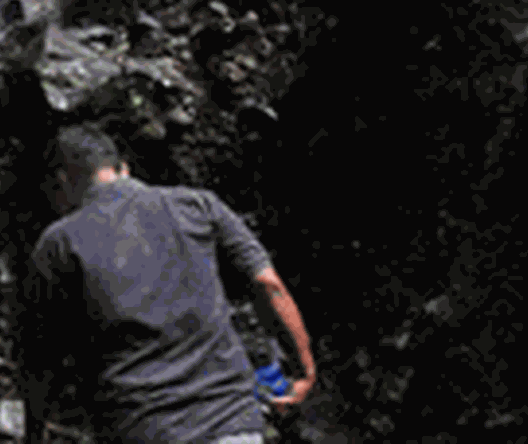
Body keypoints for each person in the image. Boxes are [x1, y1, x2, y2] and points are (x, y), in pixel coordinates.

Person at [19, 125, 316, 444]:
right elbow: (267, 284)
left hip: (142, 429)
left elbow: (40, 355)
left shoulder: (59, 243)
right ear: (123, 168)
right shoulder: (198, 206)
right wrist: (304, 370)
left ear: (62, 180)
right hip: (230, 423)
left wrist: (34, 428)